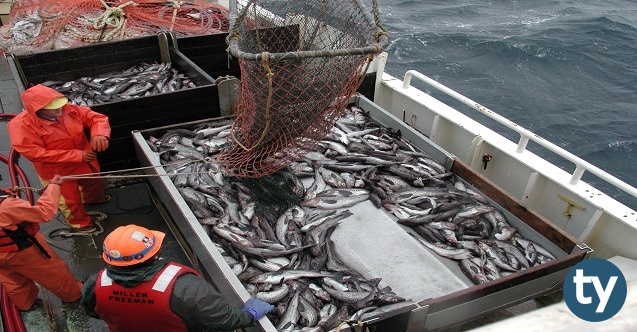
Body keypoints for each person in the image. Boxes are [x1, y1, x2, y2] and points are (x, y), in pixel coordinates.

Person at [81, 224, 274, 331]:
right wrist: (249, 314)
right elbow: (224, 320)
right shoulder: (185, 286)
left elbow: (93, 312)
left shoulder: (95, 282)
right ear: (155, 253)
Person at [7, 84, 111, 237]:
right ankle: (80, 224)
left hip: (85, 163)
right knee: (70, 201)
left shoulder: (68, 109)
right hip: (57, 172)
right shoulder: (20, 126)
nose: (59, 110)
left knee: (93, 184)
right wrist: (76, 155)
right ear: (37, 110)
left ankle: (93, 200)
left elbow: (96, 118)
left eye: (59, 104)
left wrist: (100, 134)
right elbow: (35, 153)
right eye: (53, 107)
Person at [0, 175, 82, 310]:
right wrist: (54, 187)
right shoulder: (7, 206)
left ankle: (26, 304)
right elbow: (44, 212)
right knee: (55, 274)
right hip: (21, 252)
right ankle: (73, 296)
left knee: (13, 281)